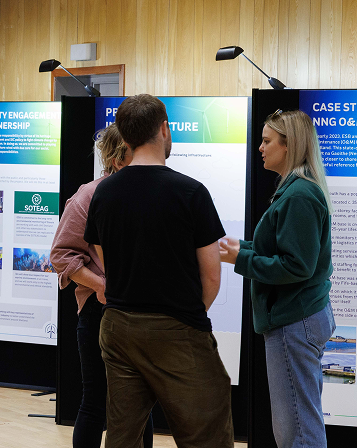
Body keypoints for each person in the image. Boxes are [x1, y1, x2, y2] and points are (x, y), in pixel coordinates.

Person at [83, 94, 233, 447]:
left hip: (118, 325)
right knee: (207, 432)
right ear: (164, 129)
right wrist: (185, 318)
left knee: (123, 434)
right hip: (177, 328)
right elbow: (211, 276)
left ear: (125, 136)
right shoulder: (191, 192)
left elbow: (106, 262)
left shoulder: (103, 193)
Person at [218, 109, 335, 448]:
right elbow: (282, 249)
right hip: (298, 318)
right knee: (300, 421)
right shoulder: (296, 190)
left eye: (267, 141)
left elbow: (296, 266)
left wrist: (241, 258)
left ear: (289, 145)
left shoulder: (300, 195)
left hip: (294, 321)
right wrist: (242, 248)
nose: (260, 148)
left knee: (297, 429)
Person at [50, 124, 154, 448]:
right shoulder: (87, 196)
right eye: (137, 151)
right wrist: (100, 285)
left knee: (141, 402)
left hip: (143, 309)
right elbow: (60, 255)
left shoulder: (149, 192)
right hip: (100, 311)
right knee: (96, 401)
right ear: (117, 157)